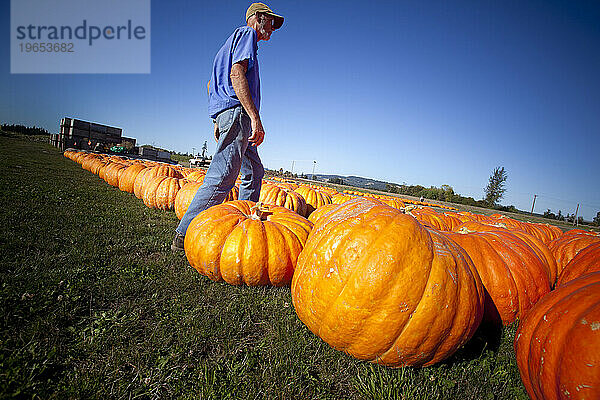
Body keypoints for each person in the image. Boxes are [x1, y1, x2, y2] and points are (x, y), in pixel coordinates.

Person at [172, 2, 284, 252]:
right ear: (258, 19)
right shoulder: (246, 35)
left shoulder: (225, 46)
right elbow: (236, 74)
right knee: (223, 175)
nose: (273, 29)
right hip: (238, 113)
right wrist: (254, 116)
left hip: (229, 114)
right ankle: (184, 234)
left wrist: (216, 119)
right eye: (271, 22)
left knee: (254, 171)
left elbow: (211, 84)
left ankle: (244, 225)